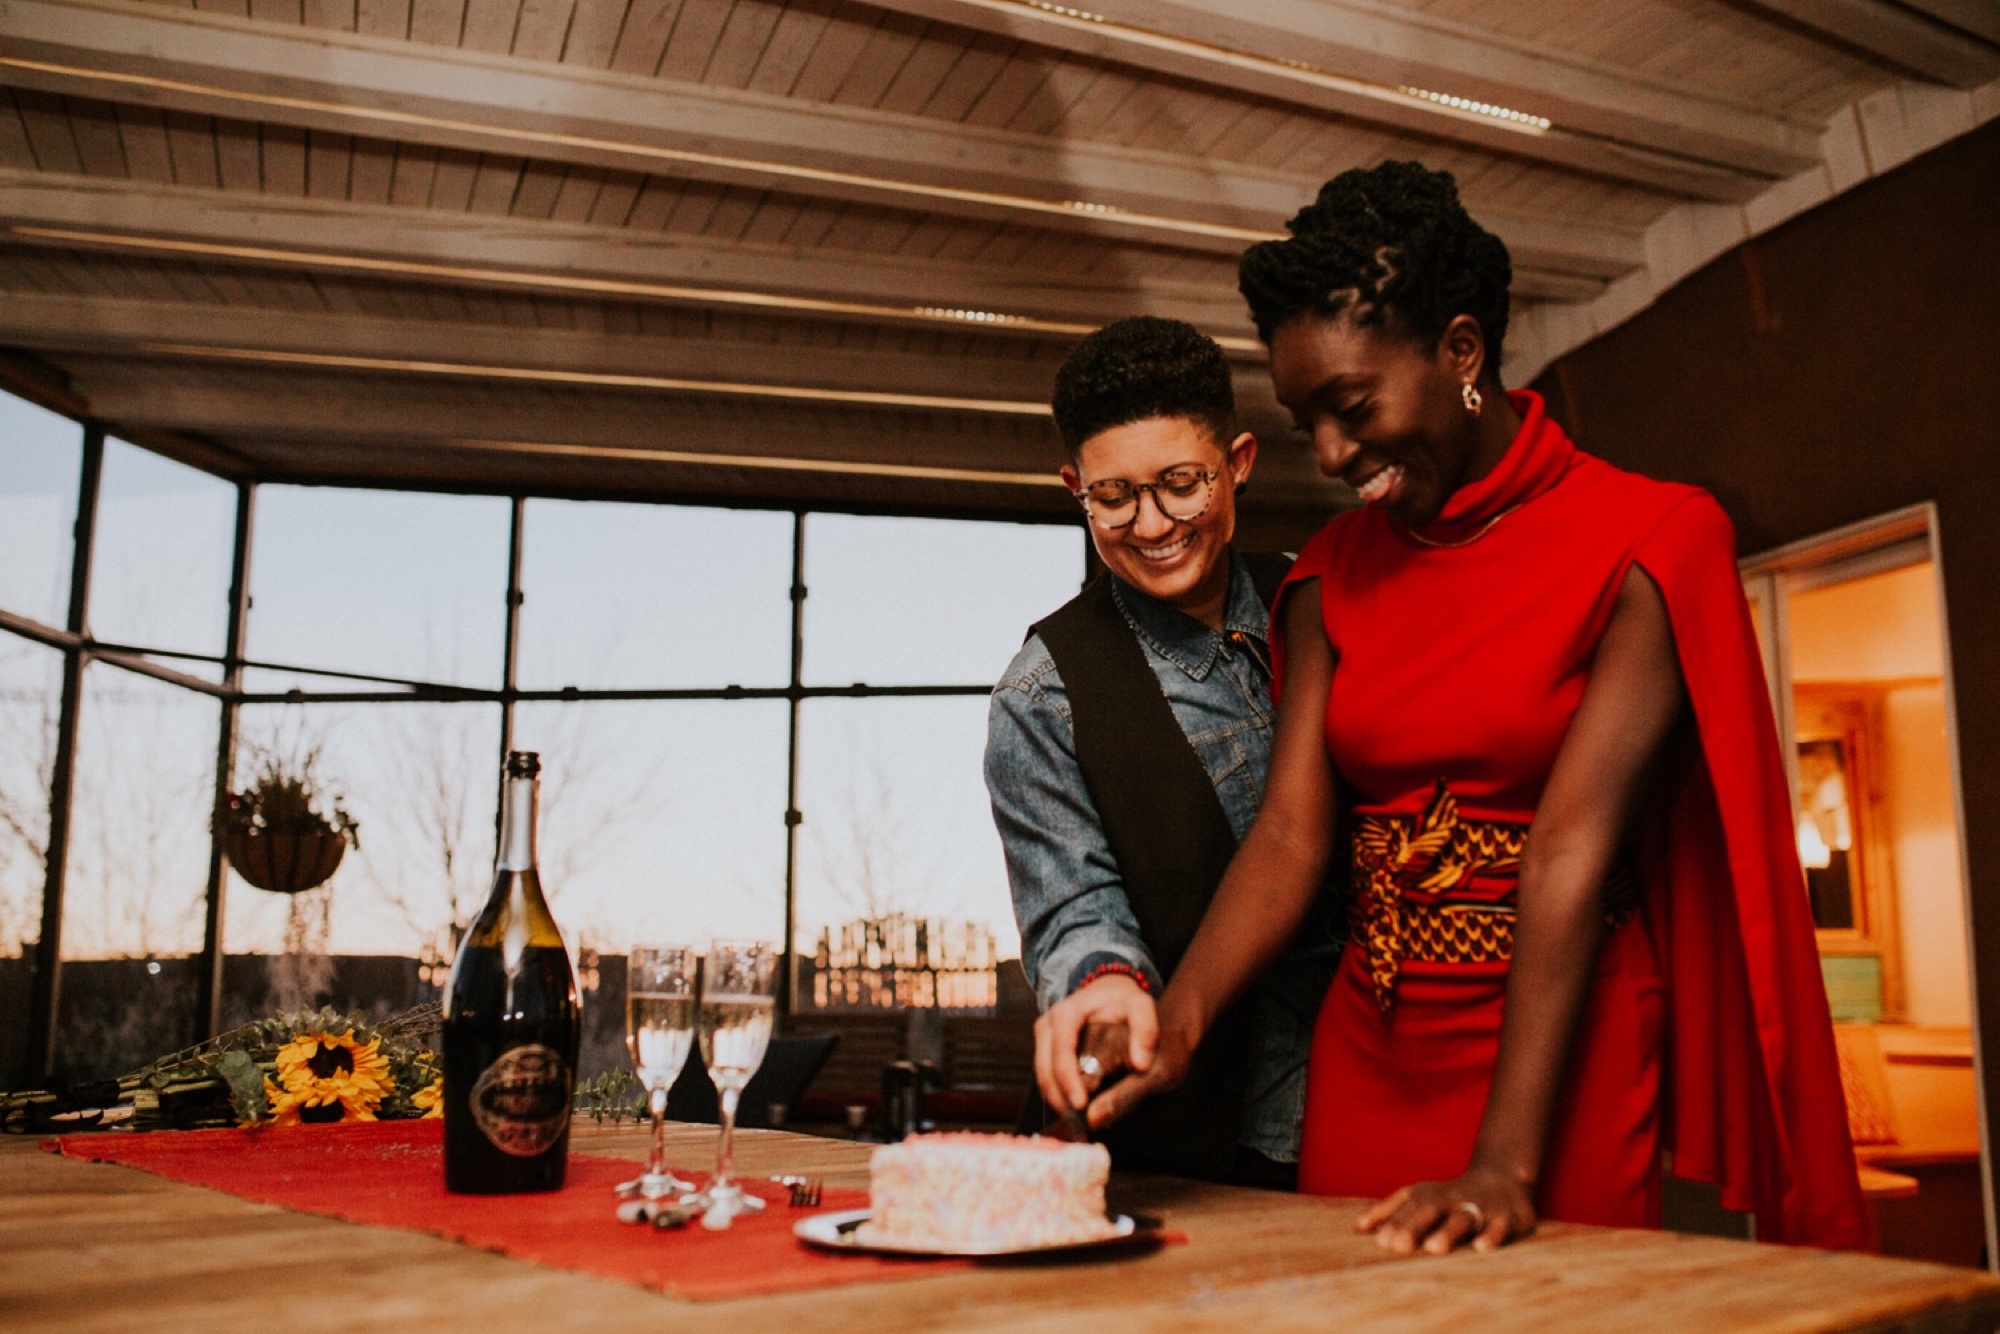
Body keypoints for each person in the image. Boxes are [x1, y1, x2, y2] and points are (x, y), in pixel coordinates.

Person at [1041, 163, 1869, 1251]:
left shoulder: (1649, 542)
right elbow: (1289, 836)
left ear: (1462, 354)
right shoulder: (1329, 573)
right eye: (1306, 422)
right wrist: (1178, 1026)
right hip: (1370, 1043)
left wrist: (1502, 1163)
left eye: (1351, 408)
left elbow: (1566, 852)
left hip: (1559, 1057)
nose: (1331, 456)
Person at [985, 316, 1338, 1187]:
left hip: (1371, 1108)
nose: (1153, 525)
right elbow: (1073, 910)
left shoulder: (1324, 601)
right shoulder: (1041, 696)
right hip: (1190, 1149)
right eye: (1113, 497)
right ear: (1076, 485)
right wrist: (1104, 984)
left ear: (1239, 462)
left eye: (1182, 484)